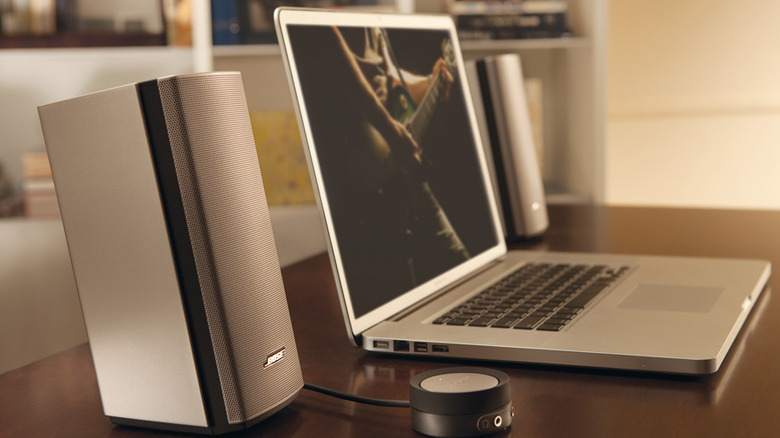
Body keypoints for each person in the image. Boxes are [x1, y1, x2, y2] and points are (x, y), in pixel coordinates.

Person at [289, 25, 470, 312]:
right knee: (397, 299)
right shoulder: (323, 18)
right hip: (363, 178)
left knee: (459, 275)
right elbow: (337, 63)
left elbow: (382, 79)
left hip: (395, 166)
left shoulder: (369, 24)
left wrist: (429, 82)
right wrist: (390, 131)